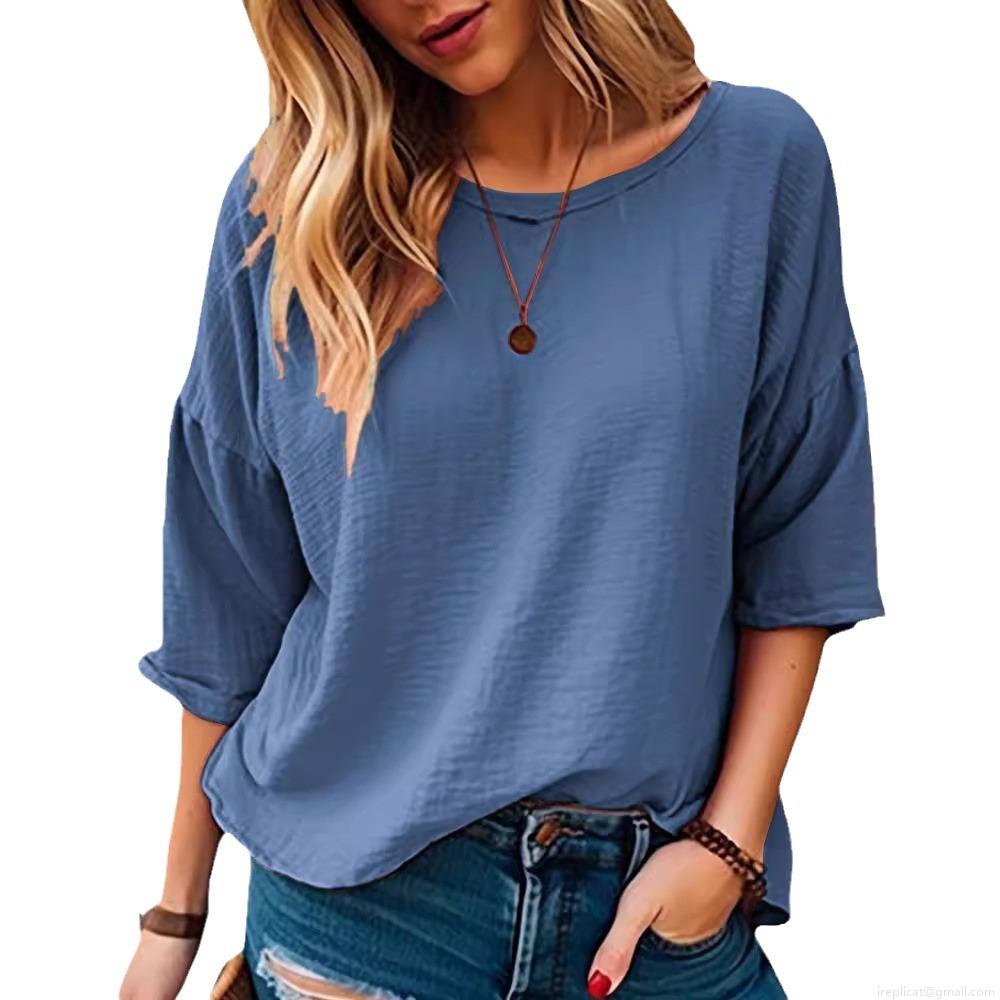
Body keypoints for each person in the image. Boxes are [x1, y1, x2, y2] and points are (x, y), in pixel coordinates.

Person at [119, 0, 884, 996]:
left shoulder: (757, 164)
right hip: (364, 919)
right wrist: (175, 916)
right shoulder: (297, 207)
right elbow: (226, 596)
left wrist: (727, 842)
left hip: (654, 900)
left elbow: (797, 531)